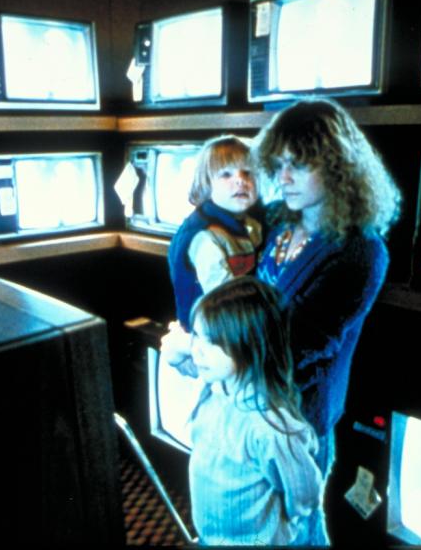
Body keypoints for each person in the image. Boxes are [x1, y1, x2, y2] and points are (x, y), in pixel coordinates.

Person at [253, 97, 401, 479]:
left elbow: (295, 344)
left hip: (298, 422)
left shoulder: (361, 251)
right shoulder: (281, 221)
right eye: (280, 165)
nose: (283, 178)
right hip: (256, 402)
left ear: (339, 169)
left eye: (298, 166)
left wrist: (209, 343)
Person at [185, 276, 326, 546]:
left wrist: (285, 527)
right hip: (213, 537)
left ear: (250, 345)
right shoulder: (214, 389)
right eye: (195, 335)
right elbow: (182, 357)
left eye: (211, 342)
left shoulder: (268, 425)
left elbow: (305, 492)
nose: (196, 351)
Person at [164, 135, 263, 375]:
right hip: (206, 346)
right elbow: (225, 300)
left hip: (229, 335)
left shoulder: (249, 224)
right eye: (226, 175)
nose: (240, 181)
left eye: (247, 173)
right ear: (206, 184)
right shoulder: (205, 237)